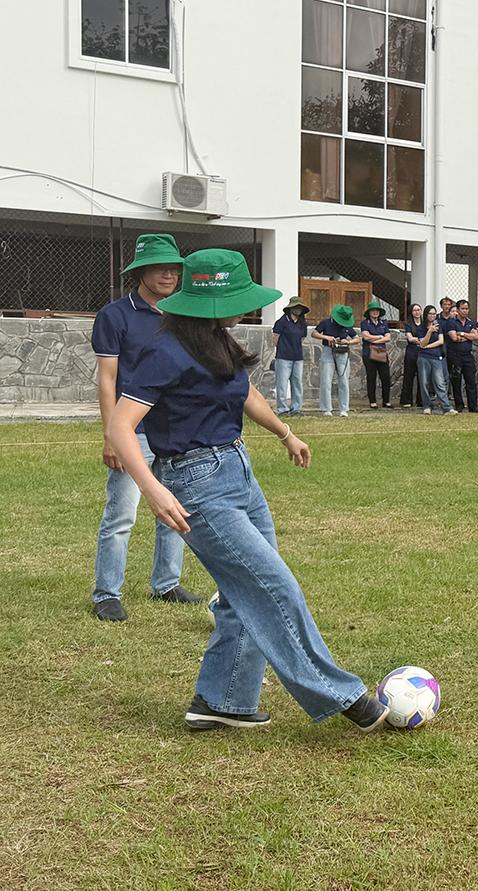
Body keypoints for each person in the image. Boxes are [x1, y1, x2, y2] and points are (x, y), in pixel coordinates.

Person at [105, 248, 392, 732]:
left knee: (245, 592)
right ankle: (344, 696)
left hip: (238, 472)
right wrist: (152, 489)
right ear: (212, 302)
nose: (249, 308)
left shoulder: (218, 339)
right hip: (197, 485)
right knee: (275, 588)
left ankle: (222, 701)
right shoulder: (163, 351)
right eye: (240, 299)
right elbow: (120, 427)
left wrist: (286, 433)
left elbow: (247, 395)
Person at [89, 232, 199, 622]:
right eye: (160, 268)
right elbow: (107, 379)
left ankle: (167, 583)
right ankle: (107, 593)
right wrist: (111, 436)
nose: (169, 275)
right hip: (132, 432)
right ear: (140, 272)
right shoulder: (114, 316)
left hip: (175, 430)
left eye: (174, 269)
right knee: (122, 514)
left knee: (175, 510)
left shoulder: (184, 314)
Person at [313, 303, 357, 417]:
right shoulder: (325, 323)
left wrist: (348, 341)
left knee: (344, 380)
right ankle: (326, 408)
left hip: (342, 352)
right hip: (328, 351)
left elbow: (357, 338)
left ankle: (344, 409)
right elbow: (314, 333)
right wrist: (326, 337)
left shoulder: (347, 325)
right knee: (326, 380)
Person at [271, 298, 309, 416]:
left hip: (298, 357)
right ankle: (282, 409)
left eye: (300, 308)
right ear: (290, 308)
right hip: (283, 357)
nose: (298, 310)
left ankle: (296, 408)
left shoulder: (302, 323)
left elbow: (302, 338)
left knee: (297, 383)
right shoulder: (281, 322)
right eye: (296, 307)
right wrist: (284, 348)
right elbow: (275, 338)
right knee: (282, 384)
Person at [443, 301, 478, 413]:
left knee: (471, 381)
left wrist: (462, 334)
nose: (465, 311)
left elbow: (475, 336)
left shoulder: (470, 322)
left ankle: (473, 406)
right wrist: (467, 336)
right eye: (462, 309)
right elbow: (454, 338)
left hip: (467, 355)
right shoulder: (451, 322)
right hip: (455, 355)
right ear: (458, 309)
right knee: (456, 381)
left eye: (466, 309)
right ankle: (459, 405)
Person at [415, 305, 452, 414]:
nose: (432, 316)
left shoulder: (438, 326)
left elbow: (441, 341)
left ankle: (446, 407)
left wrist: (428, 346)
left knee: (440, 383)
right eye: (430, 314)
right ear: (426, 315)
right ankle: (427, 405)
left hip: (436, 357)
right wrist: (429, 331)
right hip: (423, 358)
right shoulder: (421, 328)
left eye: (434, 314)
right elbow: (422, 343)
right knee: (424, 382)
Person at [359, 299, 392, 409]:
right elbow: (366, 336)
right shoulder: (364, 323)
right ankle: (372, 401)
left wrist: (375, 341)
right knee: (371, 377)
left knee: (385, 377)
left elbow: (388, 338)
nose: (375, 312)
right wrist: (379, 337)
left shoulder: (384, 323)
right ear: (369, 312)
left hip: (381, 352)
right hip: (368, 353)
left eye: (377, 310)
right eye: (373, 310)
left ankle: (386, 401)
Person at [398, 303, 424, 408]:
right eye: (414, 310)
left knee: (422, 377)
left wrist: (418, 340)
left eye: (418, 310)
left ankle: (421, 400)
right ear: (411, 312)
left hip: (423, 352)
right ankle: (406, 400)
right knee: (408, 376)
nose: (417, 312)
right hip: (411, 352)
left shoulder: (425, 323)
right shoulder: (408, 324)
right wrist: (420, 340)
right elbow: (410, 338)